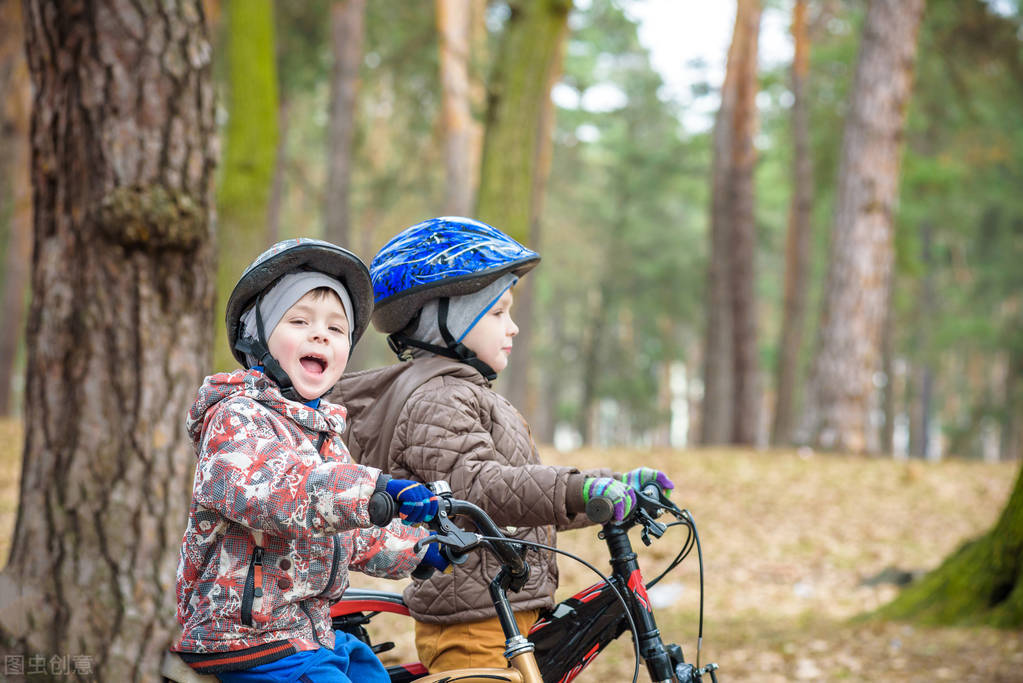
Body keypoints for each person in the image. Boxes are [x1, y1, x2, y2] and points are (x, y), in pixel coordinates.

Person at [333, 217, 675, 672]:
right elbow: (479, 488)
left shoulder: (468, 394)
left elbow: (521, 501)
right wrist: (579, 489)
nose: (512, 328)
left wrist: (611, 486)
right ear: (445, 323)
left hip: (508, 611)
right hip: (473, 627)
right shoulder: (437, 400)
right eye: (497, 314)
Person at [172, 238, 448, 682]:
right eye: (299, 321)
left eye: (336, 329)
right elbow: (281, 494)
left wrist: (419, 549)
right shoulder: (236, 417)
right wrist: (373, 488)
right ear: (256, 336)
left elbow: (349, 534)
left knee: (368, 670)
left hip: (306, 630)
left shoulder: (323, 437)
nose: (320, 334)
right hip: (241, 635)